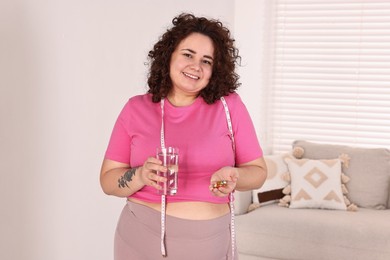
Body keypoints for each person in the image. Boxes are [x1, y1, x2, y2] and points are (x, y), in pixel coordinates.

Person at [100, 13, 267, 260]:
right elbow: (107, 181)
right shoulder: (136, 108)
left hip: (206, 243)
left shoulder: (228, 107)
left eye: (207, 61)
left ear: (215, 69)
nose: (196, 66)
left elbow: (258, 172)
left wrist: (236, 177)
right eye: (188, 55)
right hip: (139, 236)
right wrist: (140, 175)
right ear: (169, 56)